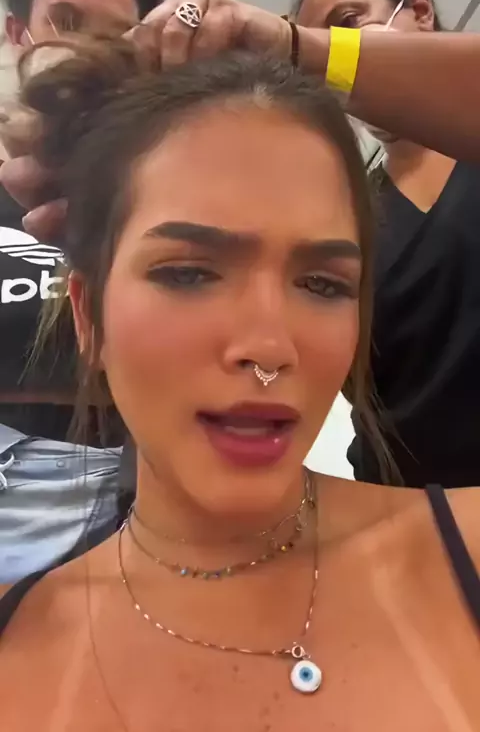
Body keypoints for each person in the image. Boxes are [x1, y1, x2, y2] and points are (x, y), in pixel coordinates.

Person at [0, 38, 478, 729]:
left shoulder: (463, 554)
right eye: (189, 273)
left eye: (323, 284)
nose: (269, 349)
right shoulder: (21, 649)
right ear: (89, 316)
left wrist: (309, 47)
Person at [0, 0, 191, 583]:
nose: (85, 51)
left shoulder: (165, 199)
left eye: (114, 37)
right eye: (64, 21)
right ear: (17, 31)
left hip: (122, 515)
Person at [288, 0, 480, 486]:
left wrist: (297, 46)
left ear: (420, 10)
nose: (332, 57)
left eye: (348, 23)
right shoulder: (347, 218)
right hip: (413, 506)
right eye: (319, 47)